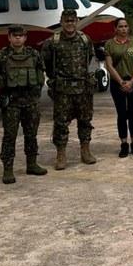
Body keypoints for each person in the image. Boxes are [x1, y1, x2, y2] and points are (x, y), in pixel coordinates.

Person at [0, 25, 48, 183]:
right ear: (9, 37)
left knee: (31, 134)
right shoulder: (1, 56)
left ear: (25, 38)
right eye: (14, 35)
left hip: (31, 102)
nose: (17, 38)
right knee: (10, 136)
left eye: (21, 36)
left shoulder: (34, 54)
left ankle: (32, 164)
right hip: (11, 104)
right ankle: (8, 169)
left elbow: (41, 73)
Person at [41, 9, 96, 170]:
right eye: (66, 21)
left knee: (85, 121)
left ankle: (85, 150)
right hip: (63, 90)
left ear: (77, 21)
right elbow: (46, 63)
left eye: (72, 21)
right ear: (61, 22)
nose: (70, 24)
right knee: (60, 123)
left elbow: (88, 59)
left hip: (82, 88)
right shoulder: (53, 42)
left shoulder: (85, 40)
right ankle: (61, 154)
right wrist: (55, 79)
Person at [104, 18, 133, 157]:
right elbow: (109, 65)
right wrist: (121, 82)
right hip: (117, 83)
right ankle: (123, 143)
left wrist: (132, 81)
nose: (123, 29)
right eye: (120, 26)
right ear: (115, 28)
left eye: (126, 26)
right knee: (121, 113)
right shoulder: (109, 44)